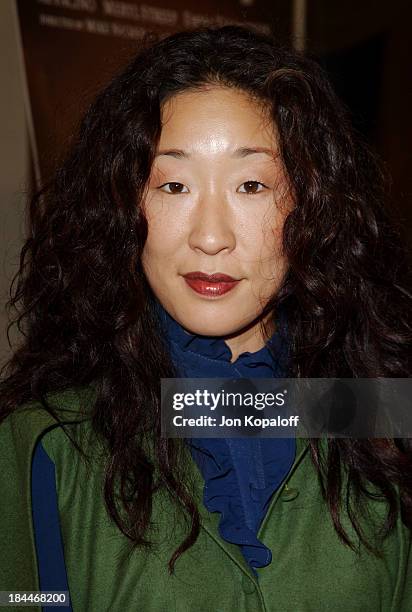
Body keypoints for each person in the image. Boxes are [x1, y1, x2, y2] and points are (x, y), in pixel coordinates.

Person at [0, 25, 411, 612]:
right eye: (173, 185)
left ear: (313, 205)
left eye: (251, 184)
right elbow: (22, 597)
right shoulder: (47, 444)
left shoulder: (381, 419)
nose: (211, 237)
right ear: (122, 205)